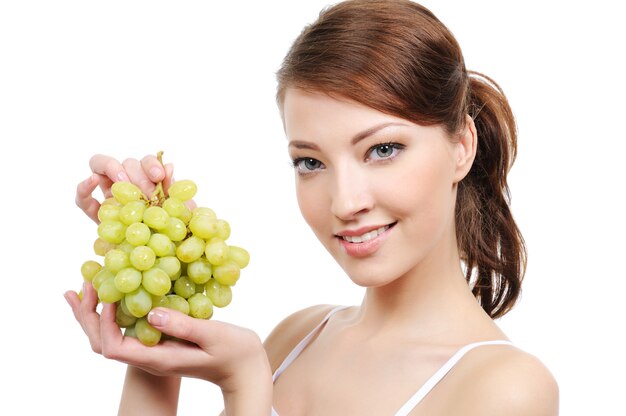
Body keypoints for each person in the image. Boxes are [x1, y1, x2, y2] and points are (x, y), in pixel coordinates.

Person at [65, 0, 559, 414]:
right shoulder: (299, 334)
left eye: (382, 150)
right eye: (310, 162)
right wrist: (152, 326)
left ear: (462, 147)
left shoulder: (505, 388)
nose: (345, 202)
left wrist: (245, 385)